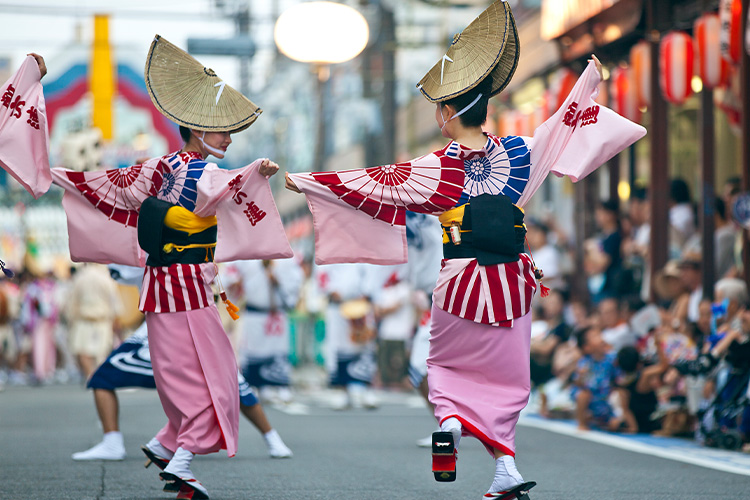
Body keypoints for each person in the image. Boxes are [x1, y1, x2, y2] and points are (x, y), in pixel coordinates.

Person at [283, 2, 645, 496]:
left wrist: (308, 182)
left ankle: (451, 424)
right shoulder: (521, 154)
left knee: (447, 365)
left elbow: (370, 185)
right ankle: (504, 469)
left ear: (447, 114)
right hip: (511, 282)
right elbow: (562, 127)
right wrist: (589, 80)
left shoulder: (435, 169)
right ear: (488, 109)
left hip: (458, 281)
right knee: (509, 377)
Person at [6, 39, 292, 499]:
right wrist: (260, 169)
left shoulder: (153, 169)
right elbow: (229, 184)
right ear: (197, 130)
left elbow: (103, 185)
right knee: (213, 375)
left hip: (160, 286)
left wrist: (60, 174)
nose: (228, 139)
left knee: (177, 372)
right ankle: (180, 458)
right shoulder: (202, 175)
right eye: (221, 132)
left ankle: (165, 445)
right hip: (189, 288)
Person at [71, 265, 292, 462]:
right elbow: (121, 268)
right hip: (164, 334)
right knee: (103, 378)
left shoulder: (164, 246)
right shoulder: (178, 246)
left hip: (185, 331)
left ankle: (270, 437)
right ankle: (124, 444)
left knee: (231, 383)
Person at [231, 258, 303, 405]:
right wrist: (237, 282)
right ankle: (258, 386)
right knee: (254, 350)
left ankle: (281, 387)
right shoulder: (247, 259)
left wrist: (279, 282)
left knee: (278, 350)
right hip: (254, 313)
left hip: (276, 313)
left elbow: (296, 281)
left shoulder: (286, 259)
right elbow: (231, 279)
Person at [65, 263, 123, 379]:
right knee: (101, 353)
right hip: (102, 321)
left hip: (84, 320)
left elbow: (73, 302)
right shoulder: (105, 277)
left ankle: (90, 377)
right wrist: (117, 320)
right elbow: (114, 301)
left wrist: (70, 319)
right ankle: (99, 379)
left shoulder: (80, 277)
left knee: (84, 352)